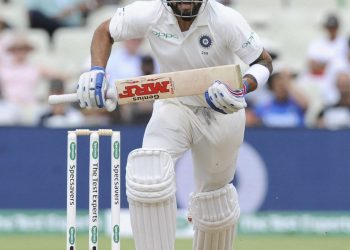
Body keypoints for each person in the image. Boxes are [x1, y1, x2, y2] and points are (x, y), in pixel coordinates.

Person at [73, 0, 272, 249]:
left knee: (214, 205)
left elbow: (263, 62)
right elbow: (105, 31)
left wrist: (241, 89)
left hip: (222, 110)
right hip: (174, 104)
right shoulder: (150, 12)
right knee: (149, 172)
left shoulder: (225, 19)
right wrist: (96, 71)